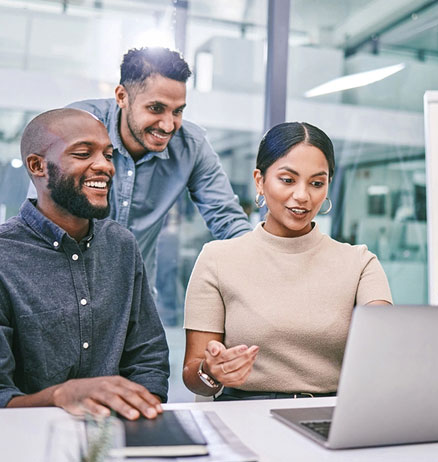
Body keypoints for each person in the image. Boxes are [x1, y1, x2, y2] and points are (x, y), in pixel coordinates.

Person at [182, 122, 393, 400]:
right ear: (260, 181)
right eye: (287, 180)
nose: (303, 196)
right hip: (245, 412)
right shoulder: (217, 259)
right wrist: (212, 372)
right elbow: (192, 373)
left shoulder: (360, 263)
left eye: (316, 183)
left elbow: (384, 342)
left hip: (331, 412)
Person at [0, 108, 169, 419]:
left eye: (108, 154)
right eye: (82, 153)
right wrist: (60, 396)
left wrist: (140, 413)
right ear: (38, 166)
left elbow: (148, 360)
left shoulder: (121, 245)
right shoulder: (4, 255)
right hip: (27, 436)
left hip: (117, 431)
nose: (105, 166)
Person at [65, 47, 251, 295]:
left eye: (178, 111)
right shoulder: (77, 126)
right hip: (65, 290)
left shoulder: (191, 146)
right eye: (155, 108)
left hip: (133, 298)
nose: (168, 125)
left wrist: (264, 266)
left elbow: (228, 220)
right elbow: (40, 218)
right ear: (122, 96)